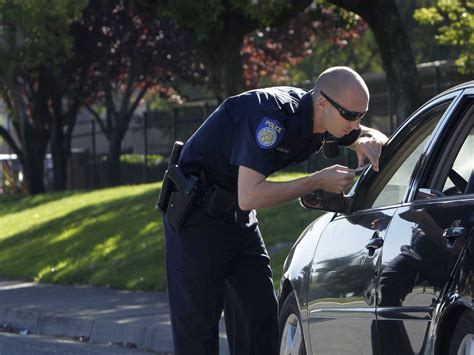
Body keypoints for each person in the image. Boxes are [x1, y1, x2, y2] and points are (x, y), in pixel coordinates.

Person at [162, 66, 388, 355]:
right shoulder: (271, 117)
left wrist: (368, 139)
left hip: (238, 221)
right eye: (351, 115)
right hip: (196, 221)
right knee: (198, 337)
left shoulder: (325, 119)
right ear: (322, 103)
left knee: (261, 326)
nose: (356, 123)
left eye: (362, 115)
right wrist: (317, 180)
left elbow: (372, 136)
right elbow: (250, 194)